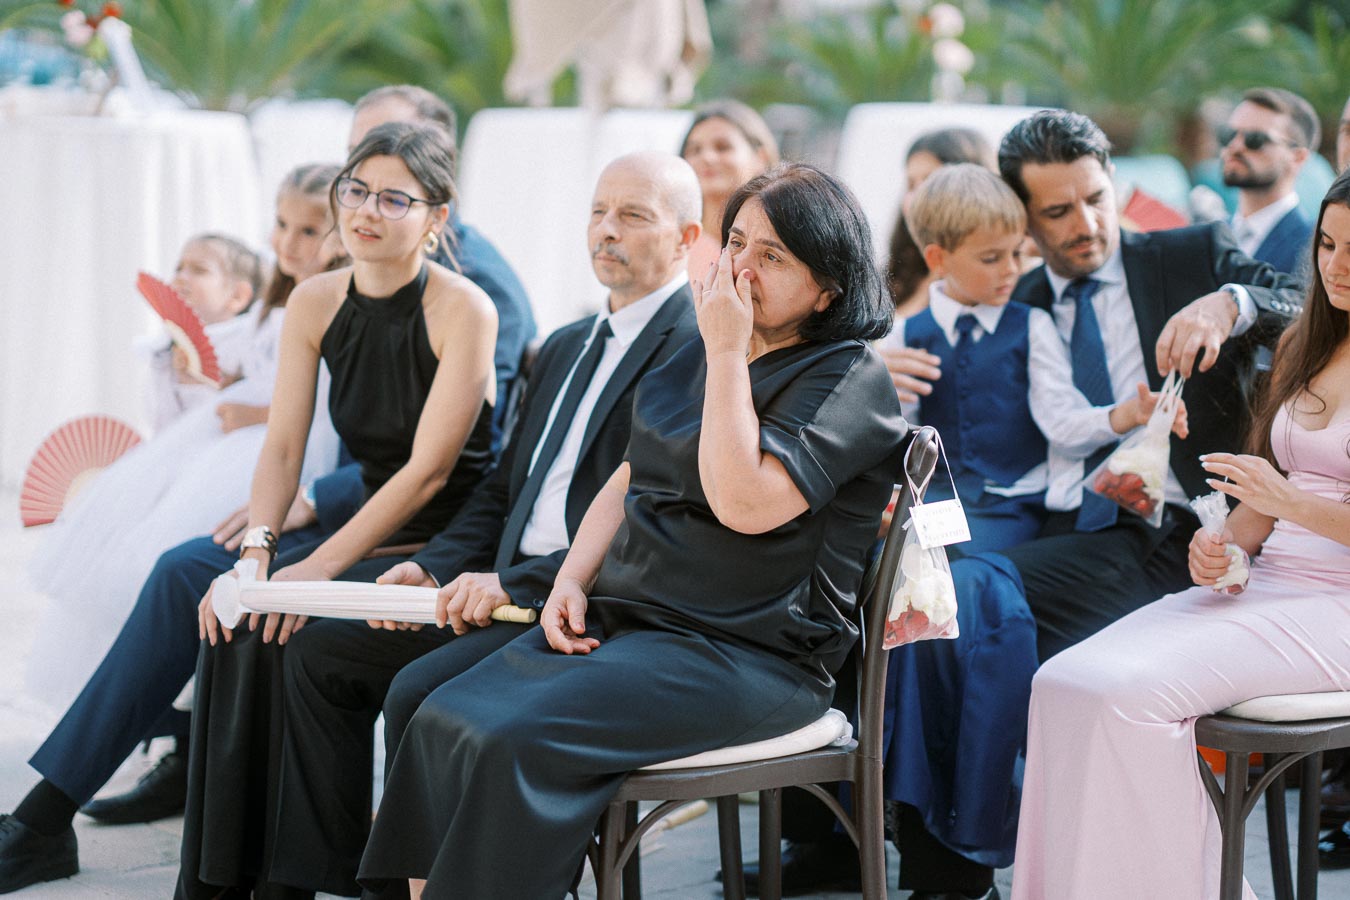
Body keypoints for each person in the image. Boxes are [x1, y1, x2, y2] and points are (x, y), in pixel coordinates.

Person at [779, 108, 1304, 900]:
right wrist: (873, 363)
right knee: (923, 606)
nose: (1086, 224)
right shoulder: (1006, 290)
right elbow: (926, 334)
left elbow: (1303, 295)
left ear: (1113, 183)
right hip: (1057, 537)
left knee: (954, 600)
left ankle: (950, 867)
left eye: (1096, 197)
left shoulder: (1187, 254)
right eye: (1056, 212)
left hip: (1173, 537)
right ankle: (945, 874)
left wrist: (1227, 304)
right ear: (1022, 219)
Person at [356, 162, 904, 899]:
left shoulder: (846, 376)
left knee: (514, 742)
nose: (741, 269)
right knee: (442, 715)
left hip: (747, 655)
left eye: (771, 257)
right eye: (736, 242)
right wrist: (570, 581)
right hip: (634, 626)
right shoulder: (712, 347)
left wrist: (723, 355)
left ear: (828, 287)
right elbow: (627, 476)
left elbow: (744, 501)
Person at [252, 151, 701, 899]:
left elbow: (651, 519)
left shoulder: (696, 351)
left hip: (580, 602)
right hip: (488, 579)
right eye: (597, 212)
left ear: (688, 238)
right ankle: (332, 881)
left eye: (633, 216)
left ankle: (412, 888)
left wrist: (504, 580)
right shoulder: (566, 344)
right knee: (320, 652)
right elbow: (502, 488)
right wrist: (435, 563)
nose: (606, 231)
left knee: (418, 693)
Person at [171, 119, 500, 899]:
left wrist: (313, 570)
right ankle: (225, 882)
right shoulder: (316, 301)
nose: (366, 211)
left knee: (298, 624)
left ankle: (309, 879)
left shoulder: (463, 309)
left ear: (436, 218)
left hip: (442, 534)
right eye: (355, 191)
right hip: (363, 527)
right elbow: (283, 448)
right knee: (239, 621)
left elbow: (426, 474)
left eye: (395, 198)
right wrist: (259, 552)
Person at [1012, 167, 1350, 900]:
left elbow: (1288, 495)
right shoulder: (1307, 345)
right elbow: (1269, 492)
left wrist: (1285, 504)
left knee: (1125, 696)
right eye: (1326, 243)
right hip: (1269, 587)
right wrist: (1225, 543)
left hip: (1339, 607)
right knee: (1061, 681)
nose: (1337, 265)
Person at [26, 189, 343, 711]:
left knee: (179, 545)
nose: (288, 241)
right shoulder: (270, 313)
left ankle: (174, 703)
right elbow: (247, 373)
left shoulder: (324, 306)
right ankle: (143, 703)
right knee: (138, 532)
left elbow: (323, 397)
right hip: (227, 443)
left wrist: (253, 413)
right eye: (282, 224)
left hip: (270, 450)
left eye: (308, 231)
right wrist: (214, 382)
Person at [884, 163, 1188, 552]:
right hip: (936, 505)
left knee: (963, 573)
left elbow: (1060, 419)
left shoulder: (1032, 326)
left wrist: (1126, 414)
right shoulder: (906, 336)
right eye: (992, 258)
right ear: (938, 259)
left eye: (1017, 252)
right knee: (891, 573)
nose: (1012, 270)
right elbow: (898, 438)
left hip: (1013, 505)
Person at [885, 127, 996, 318]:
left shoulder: (1003, 275)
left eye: (931, 182)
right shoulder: (897, 273)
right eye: (911, 185)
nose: (916, 197)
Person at [1220, 87, 1320, 275]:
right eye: (1229, 134)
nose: (1235, 146)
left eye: (1255, 139)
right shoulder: (1212, 234)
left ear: (1297, 157)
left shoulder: (1314, 247)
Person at [679, 99, 778, 277]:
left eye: (722, 147)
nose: (707, 157)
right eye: (695, 150)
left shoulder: (781, 244)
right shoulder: (674, 245)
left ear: (761, 157)